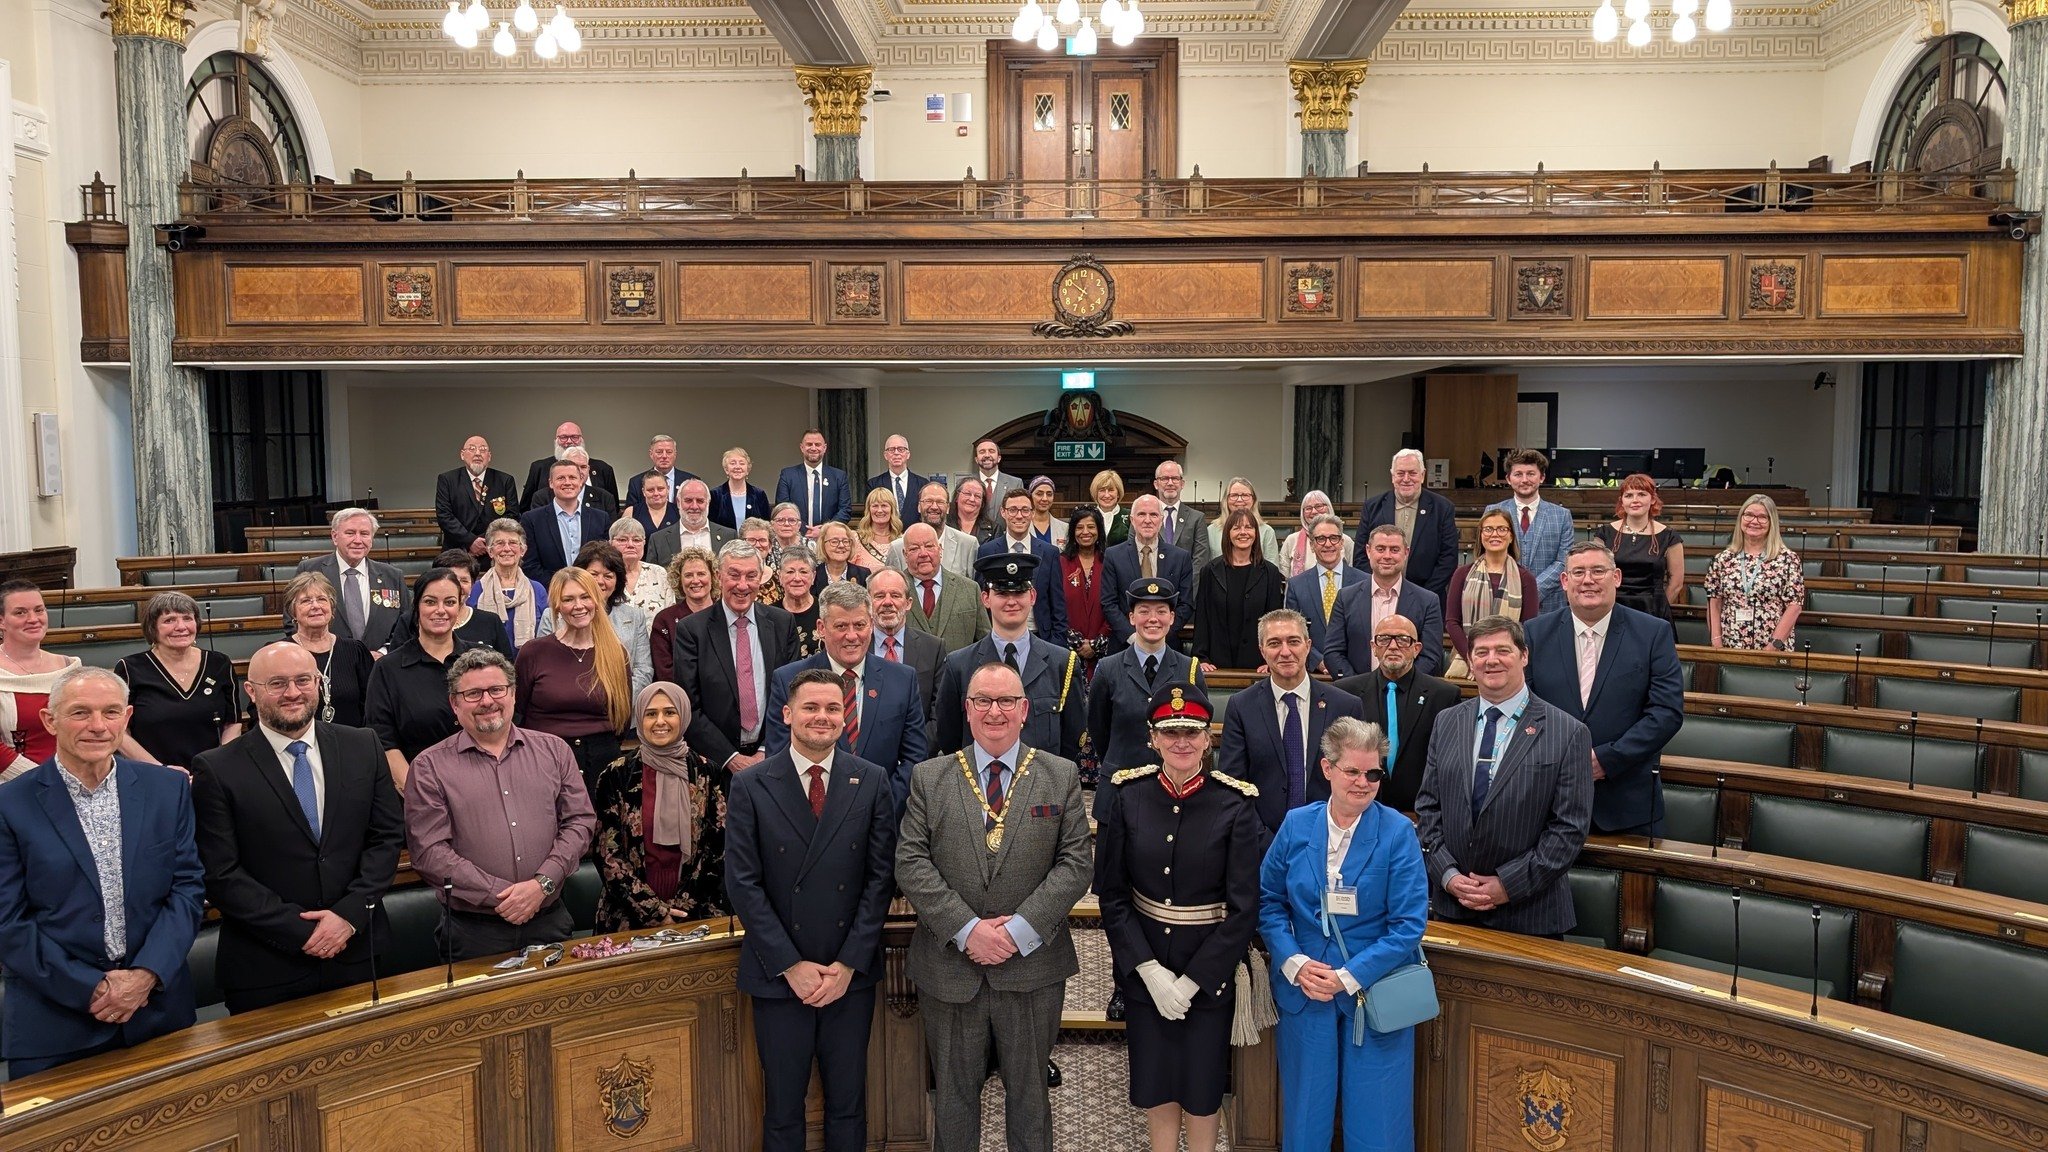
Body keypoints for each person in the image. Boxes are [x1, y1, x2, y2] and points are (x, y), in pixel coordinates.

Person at [895, 661, 1093, 1152]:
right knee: (954, 1102)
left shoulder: (1060, 775)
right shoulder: (930, 776)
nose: (995, 711)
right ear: (967, 710)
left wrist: (1015, 932)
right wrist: (968, 930)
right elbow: (911, 861)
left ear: (1025, 710)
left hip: (1032, 967)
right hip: (950, 967)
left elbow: (1075, 865)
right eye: (983, 700)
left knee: (1030, 1102)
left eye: (1006, 701)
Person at [0, 666, 205, 1076]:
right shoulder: (10, 804)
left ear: (127, 719)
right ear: (49, 720)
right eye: (80, 713)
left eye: (111, 712)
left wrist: (145, 976)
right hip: (56, 1023)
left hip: (159, 1012)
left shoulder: (167, 789)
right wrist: (93, 988)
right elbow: (8, 921)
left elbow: (187, 889)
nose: (97, 726)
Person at [728, 668, 898, 1152]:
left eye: (831, 708)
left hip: (849, 975)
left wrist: (847, 964)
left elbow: (878, 879)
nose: (821, 717)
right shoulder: (752, 785)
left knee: (848, 1106)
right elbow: (743, 884)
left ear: (844, 718)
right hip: (778, 975)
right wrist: (790, 965)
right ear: (787, 714)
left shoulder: (871, 780)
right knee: (782, 1109)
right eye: (810, 707)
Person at [189, 643, 404, 1012]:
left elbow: (386, 839)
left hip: (359, 952)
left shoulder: (362, 745)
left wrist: (348, 916)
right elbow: (221, 873)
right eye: (277, 683)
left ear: (318, 683)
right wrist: (301, 931)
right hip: (266, 967)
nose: (293, 693)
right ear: (251, 691)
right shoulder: (217, 768)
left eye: (303, 680)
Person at [1094, 682, 1261, 1152]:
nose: (1182, 741)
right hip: (1146, 969)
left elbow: (1244, 908)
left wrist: (1191, 982)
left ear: (1209, 738)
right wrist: (1147, 970)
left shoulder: (1235, 802)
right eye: (1171, 732)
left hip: (1209, 973)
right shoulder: (1129, 796)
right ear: (1153, 738)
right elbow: (1113, 895)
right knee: (1156, 1086)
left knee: (1203, 1092)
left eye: (1192, 731)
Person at [1259, 716, 1428, 1152]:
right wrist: (1293, 963)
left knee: (1379, 1124)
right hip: (1306, 991)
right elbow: (1268, 901)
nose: (1363, 782)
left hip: (1372, 996)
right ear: (1327, 768)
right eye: (1352, 771)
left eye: (1372, 773)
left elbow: (1408, 925)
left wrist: (1348, 976)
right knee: (1305, 1118)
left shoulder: (1398, 833)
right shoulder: (1297, 824)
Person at [406, 649, 597, 960]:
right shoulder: (429, 767)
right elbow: (429, 851)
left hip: (548, 919)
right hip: (473, 932)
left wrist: (540, 885)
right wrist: (503, 895)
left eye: (496, 690)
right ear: (455, 703)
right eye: (473, 694)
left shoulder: (555, 751)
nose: (487, 701)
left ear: (513, 694)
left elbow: (580, 822)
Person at [1413, 615, 1592, 937]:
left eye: (1502, 650)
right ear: (1469, 661)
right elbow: (1428, 808)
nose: (1491, 660)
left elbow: (1569, 828)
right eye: (1481, 652)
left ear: (1524, 656)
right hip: (1453, 905)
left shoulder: (1568, 732)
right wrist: (1448, 875)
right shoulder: (1447, 722)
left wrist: (1507, 885)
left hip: (1529, 913)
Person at [1525, 540, 1685, 838]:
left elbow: (1666, 713)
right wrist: (1562, 760)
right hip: (1546, 803)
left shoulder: (1653, 633)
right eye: (1579, 572)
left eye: (1598, 571)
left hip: (1628, 804)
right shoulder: (1534, 633)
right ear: (1564, 581)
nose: (1588, 580)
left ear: (1617, 578)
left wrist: (1605, 760)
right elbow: (1524, 708)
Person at [764, 582, 929, 811]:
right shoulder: (788, 680)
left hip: (881, 818)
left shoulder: (903, 680)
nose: (852, 636)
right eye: (841, 626)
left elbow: (914, 757)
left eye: (859, 625)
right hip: (812, 817)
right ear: (822, 628)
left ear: (871, 625)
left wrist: (882, 802)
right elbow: (778, 758)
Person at [589, 681, 728, 932]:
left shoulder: (707, 772)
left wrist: (682, 908)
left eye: (670, 712)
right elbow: (607, 853)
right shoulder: (615, 774)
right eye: (650, 714)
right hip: (628, 914)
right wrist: (654, 911)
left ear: (683, 716)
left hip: (696, 913)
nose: (660, 721)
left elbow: (718, 848)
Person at [1216, 609, 1365, 832]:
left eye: (1293, 641)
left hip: (1332, 839)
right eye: (1274, 643)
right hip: (1261, 842)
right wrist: (1265, 842)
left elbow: (1357, 780)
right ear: (1262, 651)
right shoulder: (1241, 706)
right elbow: (1233, 786)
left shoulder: (1345, 706)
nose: (1285, 652)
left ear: (1308, 645)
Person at [933, 553, 1086, 764]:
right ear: (986, 599)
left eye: (1020, 592)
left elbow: (1072, 738)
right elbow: (949, 737)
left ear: (1032, 596)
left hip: (1042, 788)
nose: (1012, 601)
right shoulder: (959, 666)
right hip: (980, 787)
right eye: (1002, 593)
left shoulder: (1062, 663)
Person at [672, 541, 802, 774]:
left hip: (773, 758)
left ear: (761, 578)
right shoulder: (692, 630)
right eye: (734, 575)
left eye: (751, 576)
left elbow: (792, 696)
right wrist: (731, 758)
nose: (743, 585)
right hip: (714, 764)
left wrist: (766, 750)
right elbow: (688, 705)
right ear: (719, 576)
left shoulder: (782, 624)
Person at [1088, 579, 1204, 822]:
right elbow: (1099, 730)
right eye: (1144, 611)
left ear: (1172, 618)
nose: (1153, 619)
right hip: (1119, 789)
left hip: (1173, 792)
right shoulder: (1108, 669)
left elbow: (1198, 729)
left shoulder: (1189, 669)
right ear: (1131, 618)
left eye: (1161, 611)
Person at [365, 568, 491, 790]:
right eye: (431, 602)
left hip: (483, 785)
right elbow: (383, 740)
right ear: (417, 607)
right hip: (417, 789)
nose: (440, 610)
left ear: (460, 606)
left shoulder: (482, 661)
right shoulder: (388, 669)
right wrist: (419, 794)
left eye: (450, 602)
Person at [518, 565, 639, 793]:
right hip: (546, 762)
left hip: (603, 767)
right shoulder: (533, 652)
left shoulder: (616, 653)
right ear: (556, 605)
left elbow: (622, 718)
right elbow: (517, 713)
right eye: (568, 599)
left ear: (596, 600)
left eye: (585, 597)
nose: (578, 606)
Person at [1330, 614, 1460, 815]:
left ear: (1416, 649)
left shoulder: (1444, 696)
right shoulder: (1346, 692)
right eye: (1384, 639)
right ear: (1374, 647)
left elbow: (1450, 765)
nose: (1393, 646)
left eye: (1402, 640)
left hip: (1419, 812)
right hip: (1360, 810)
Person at [114, 591, 243, 770]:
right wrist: (160, 770)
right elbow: (118, 730)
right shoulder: (130, 668)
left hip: (211, 776)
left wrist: (217, 767)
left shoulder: (219, 663)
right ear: (152, 628)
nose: (181, 627)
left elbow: (233, 722)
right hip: (152, 774)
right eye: (169, 620)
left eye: (187, 618)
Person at [1325, 525, 1446, 679]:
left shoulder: (1428, 601)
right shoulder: (1346, 597)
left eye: (1394, 550)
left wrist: (1403, 685)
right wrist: (1359, 687)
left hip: (1408, 695)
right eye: (1380, 549)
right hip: (1356, 695)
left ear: (1406, 553)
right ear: (1368, 551)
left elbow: (1431, 656)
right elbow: (1333, 652)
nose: (1387, 556)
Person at [539, 541, 655, 693]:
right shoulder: (553, 616)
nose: (600, 582)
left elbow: (643, 670)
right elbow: (544, 667)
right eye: (593, 574)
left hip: (621, 707)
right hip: (568, 703)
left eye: (608, 576)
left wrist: (616, 700)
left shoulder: (634, 616)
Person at [0, 579, 82, 784]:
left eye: (39, 610)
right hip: (12, 787)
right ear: (1, 621)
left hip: (76, 781)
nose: (33, 619)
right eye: (20, 612)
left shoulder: (69, 667)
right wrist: (44, 781)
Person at [294, 507, 407, 653]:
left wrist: (383, 653)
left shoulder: (393, 576)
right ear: (335, 537)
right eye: (350, 533)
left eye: (365, 534)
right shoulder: (309, 569)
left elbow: (406, 626)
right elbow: (292, 620)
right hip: (327, 664)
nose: (358, 540)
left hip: (381, 665)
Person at [1356, 449, 1460, 604]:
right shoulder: (1372, 507)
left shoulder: (1442, 508)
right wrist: (1379, 589)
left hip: (1427, 599)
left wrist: (1422, 596)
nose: (1406, 479)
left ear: (1422, 475)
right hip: (1378, 598)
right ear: (1392, 476)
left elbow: (1448, 558)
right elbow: (1360, 555)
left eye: (1412, 473)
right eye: (1400, 473)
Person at [1706, 493, 1807, 651]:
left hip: (1772, 646)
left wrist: (1773, 646)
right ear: (1741, 518)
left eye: (1762, 517)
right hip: (1730, 645)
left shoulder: (1788, 559)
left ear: (1771, 522)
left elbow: (1794, 606)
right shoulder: (1722, 559)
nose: (1754, 521)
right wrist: (1716, 642)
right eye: (1749, 515)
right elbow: (1714, 602)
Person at [1058, 507, 1113, 786]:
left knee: (1100, 711)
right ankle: (1074, 775)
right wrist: (1077, 642)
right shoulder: (1061, 563)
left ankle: (1097, 773)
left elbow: (1115, 605)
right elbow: (1056, 605)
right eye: (1079, 527)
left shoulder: (1110, 561)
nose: (1085, 532)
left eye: (1091, 527)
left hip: (1104, 653)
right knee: (1074, 710)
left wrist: (1099, 642)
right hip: (1070, 653)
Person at [1193, 509, 1287, 672]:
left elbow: (1274, 621)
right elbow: (1202, 617)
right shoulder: (1210, 571)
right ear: (1227, 533)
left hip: (1258, 664)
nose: (1243, 532)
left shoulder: (1270, 572)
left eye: (1248, 527)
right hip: (1216, 663)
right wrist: (1201, 658)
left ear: (1256, 533)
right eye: (1236, 528)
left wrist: (1272, 658)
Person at [1446, 508, 1542, 667]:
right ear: (1481, 535)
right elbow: (1452, 621)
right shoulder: (1462, 574)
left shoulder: (1525, 578)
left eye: (1502, 529)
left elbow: (1527, 627)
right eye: (1488, 529)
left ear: (1511, 536)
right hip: (1467, 660)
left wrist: (1501, 656)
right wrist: (1472, 656)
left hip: (1508, 661)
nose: (1495, 534)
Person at [1099, 495, 1194, 652]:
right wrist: (1133, 637)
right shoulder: (1113, 555)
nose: (1147, 520)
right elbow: (1108, 603)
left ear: (1161, 519)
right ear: (1132, 519)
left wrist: (1161, 634)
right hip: (1124, 646)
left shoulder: (1180, 557)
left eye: (1154, 515)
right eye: (1141, 514)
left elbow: (1186, 604)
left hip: (1167, 646)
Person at [281, 572, 373, 728]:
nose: (315, 606)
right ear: (292, 612)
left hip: (352, 742)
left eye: (322, 599)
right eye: (306, 601)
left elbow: (373, 705)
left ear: (332, 608)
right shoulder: (279, 654)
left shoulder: (356, 651)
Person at [1489, 449, 1573, 616]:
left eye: (1531, 474)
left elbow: (1563, 561)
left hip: (1549, 605)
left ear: (1541, 477)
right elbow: (1488, 556)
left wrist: (1532, 590)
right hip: (1502, 602)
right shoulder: (1493, 512)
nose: (1524, 480)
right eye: (1518, 474)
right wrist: (1511, 589)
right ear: (1508, 478)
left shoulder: (1561, 516)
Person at [866, 567, 944, 745]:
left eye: (895, 595)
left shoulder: (933, 648)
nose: (887, 602)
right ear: (868, 603)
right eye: (879, 596)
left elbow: (939, 713)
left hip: (919, 758)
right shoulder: (855, 646)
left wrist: (913, 754)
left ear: (908, 603)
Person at [977, 488, 1068, 638]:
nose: (1019, 516)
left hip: (1039, 635)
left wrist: (1057, 641)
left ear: (1032, 513)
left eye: (1025, 510)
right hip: (999, 635)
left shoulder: (1049, 552)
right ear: (1003, 512)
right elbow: (982, 601)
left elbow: (1058, 604)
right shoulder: (987, 551)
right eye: (1013, 510)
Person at [1592, 473, 1684, 621]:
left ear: (1653, 499)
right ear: (1622, 501)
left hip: (1653, 611)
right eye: (1628, 495)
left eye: (1642, 494)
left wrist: (1659, 608)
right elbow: (1597, 575)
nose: (1635, 500)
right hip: (1612, 609)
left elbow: (1676, 583)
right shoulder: (1604, 534)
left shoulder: (1669, 536)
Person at [1282, 513, 1367, 673]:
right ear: (1312, 545)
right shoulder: (1296, 585)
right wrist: (1318, 661)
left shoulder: (1364, 582)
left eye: (1334, 538)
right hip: (1313, 672)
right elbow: (1293, 631)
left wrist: (1342, 664)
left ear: (1342, 543)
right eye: (1321, 539)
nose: (1328, 544)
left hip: (1356, 672)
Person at [519, 459, 613, 584]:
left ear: (581, 482)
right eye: (561, 478)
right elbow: (530, 565)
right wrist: (561, 586)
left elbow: (605, 562)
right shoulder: (531, 520)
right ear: (551, 483)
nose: (567, 482)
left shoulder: (601, 518)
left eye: (572, 477)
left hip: (591, 592)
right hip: (550, 594)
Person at [900, 523, 989, 652]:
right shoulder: (893, 591)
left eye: (929, 546)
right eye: (914, 548)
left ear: (940, 550)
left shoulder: (970, 589)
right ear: (905, 554)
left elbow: (985, 643)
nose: (923, 553)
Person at [471, 517, 550, 656]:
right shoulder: (476, 590)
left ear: (523, 550)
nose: (507, 548)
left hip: (530, 665)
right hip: (488, 667)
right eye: (500, 543)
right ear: (490, 551)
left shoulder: (537, 590)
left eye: (513, 543)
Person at [434, 434, 519, 559]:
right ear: (462, 455)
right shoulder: (447, 480)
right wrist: (470, 540)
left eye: (483, 450)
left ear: (489, 456)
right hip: (457, 550)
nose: (478, 453)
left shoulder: (505, 480)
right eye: (472, 449)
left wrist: (486, 540)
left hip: (494, 550)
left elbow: (512, 515)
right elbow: (444, 516)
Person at [650, 547, 718, 684]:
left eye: (701, 574)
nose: (695, 580)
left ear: (713, 576)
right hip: (681, 697)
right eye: (688, 575)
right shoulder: (664, 620)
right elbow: (664, 671)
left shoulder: (726, 613)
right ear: (679, 579)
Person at [885, 481, 981, 577]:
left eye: (940, 502)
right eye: (928, 501)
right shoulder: (897, 548)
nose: (934, 507)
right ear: (919, 506)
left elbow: (975, 589)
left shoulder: (968, 545)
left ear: (948, 507)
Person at [434, 547, 516, 658]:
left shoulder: (491, 622)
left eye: (464, 581)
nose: (458, 586)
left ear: (472, 585)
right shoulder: (413, 621)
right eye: (452, 579)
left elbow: (507, 668)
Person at [518, 420, 619, 510]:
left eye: (574, 437)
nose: (569, 441)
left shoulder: (603, 469)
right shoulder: (539, 467)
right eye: (564, 437)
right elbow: (525, 508)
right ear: (556, 440)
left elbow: (613, 507)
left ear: (581, 440)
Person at [775, 429, 853, 533]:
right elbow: (782, 508)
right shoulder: (788, 475)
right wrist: (806, 530)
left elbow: (845, 510)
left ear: (824, 448)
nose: (813, 448)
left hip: (828, 537)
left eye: (817, 444)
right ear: (802, 448)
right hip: (797, 536)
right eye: (809, 444)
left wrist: (823, 531)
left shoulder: (839, 476)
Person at [647, 478, 735, 566]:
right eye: (688, 500)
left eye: (700, 501)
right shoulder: (658, 540)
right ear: (678, 502)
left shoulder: (729, 537)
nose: (694, 506)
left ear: (708, 503)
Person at [1152, 459, 1212, 574]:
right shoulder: (1143, 517)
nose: (1170, 483)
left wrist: (1188, 588)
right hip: (1151, 586)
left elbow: (1200, 560)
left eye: (1175, 478)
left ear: (1182, 484)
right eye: (1164, 478)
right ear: (1156, 484)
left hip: (1186, 586)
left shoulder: (1197, 518)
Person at [528, 445, 620, 518]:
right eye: (574, 466)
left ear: (588, 469)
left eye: (583, 467)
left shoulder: (605, 498)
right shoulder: (542, 497)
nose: (579, 471)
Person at [1278, 489, 1353, 578]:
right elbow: (1284, 575)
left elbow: (1352, 573)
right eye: (1308, 508)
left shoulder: (1345, 540)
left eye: (1319, 506)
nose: (1314, 512)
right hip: (1301, 591)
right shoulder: (1291, 540)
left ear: (1329, 507)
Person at [611, 517, 675, 616]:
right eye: (623, 540)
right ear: (610, 543)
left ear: (644, 543)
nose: (630, 545)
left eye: (637, 540)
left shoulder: (659, 573)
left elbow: (670, 615)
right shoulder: (604, 575)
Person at [1204, 477, 1279, 561]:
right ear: (1226, 500)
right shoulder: (1211, 530)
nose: (1239, 500)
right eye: (1234, 495)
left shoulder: (1267, 531)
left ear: (1253, 500)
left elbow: (1272, 567)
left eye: (1245, 495)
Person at [627, 433, 697, 518]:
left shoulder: (691, 481)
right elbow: (632, 516)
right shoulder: (636, 482)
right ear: (651, 454)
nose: (664, 456)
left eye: (669, 452)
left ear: (675, 454)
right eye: (659, 452)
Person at [711, 446, 773, 530]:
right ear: (726, 469)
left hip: (753, 542)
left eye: (742, 463)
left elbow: (767, 525)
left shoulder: (759, 494)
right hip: (725, 542)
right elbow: (712, 525)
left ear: (747, 470)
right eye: (733, 463)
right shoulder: (715, 495)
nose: (737, 467)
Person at [775, 549, 823, 657]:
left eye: (804, 572)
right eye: (790, 572)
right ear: (780, 577)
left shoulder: (826, 611)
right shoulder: (768, 615)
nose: (797, 578)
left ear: (813, 577)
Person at [868, 433, 928, 512]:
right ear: (885, 455)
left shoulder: (923, 484)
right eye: (891, 450)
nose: (896, 453)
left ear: (908, 454)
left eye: (901, 449)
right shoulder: (874, 484)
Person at [855, 487, 904, 570]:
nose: (879, 510)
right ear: (869, 510)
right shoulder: (856, 539)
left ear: (892, 509)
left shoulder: (902, 541)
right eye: (875, 506)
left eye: (884, 505)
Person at [970, 437, 1025, 507]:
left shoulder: (1015, 483)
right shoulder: (965, 483)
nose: (987, 455)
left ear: (999, 458)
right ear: (976, 459)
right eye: (982, 452)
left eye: (991, 451)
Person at [816, 521, 872, 586]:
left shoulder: (864, 575)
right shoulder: (813, 575)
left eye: (845, 541)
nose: (841, 545)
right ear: (823, 544)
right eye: (834, 541)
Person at [630, 469, 681, 538]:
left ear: (668, 489)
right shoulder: (631, 512)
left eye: (660, 489)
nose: (656, 493)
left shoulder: (679, 512)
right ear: (643, 491)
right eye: (650, 490)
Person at [948, 476, 999, 545]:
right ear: (957, 497)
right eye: (967, 494)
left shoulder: (995, 529)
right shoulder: (943, 524)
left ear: (982, 503)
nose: (972, 499)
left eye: (977, 496)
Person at [1088, 468, 1130, 546]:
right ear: (1096, 494)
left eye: (1111, 490)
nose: (1107, 495)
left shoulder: (1130, 515)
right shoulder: (1087, 516)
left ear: (1118, 493)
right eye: (1102, 490)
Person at [1026, 475, 1067, 551]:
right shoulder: (1023, 526)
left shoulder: (1065, 528)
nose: (1045, 499)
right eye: (1039, 494)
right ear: (1030, 496)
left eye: (1049, 494)